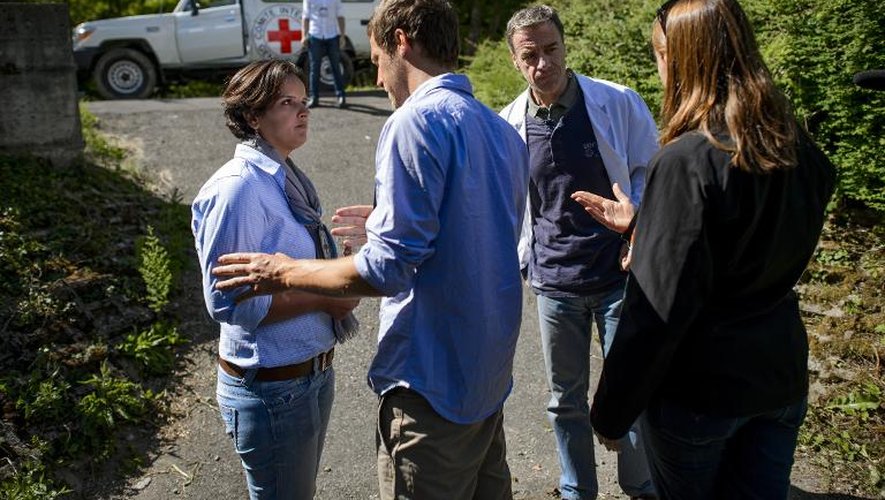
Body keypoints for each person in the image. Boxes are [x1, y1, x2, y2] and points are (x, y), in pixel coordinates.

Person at [212, 1, 530, 499]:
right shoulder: (499, 129)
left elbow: (387, 271)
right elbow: (482, 238)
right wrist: (387, 226)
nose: (379, 78)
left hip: (432, 383)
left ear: (401, 42)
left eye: (377, 58)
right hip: (485, 377)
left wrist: (285, 270)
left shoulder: (413, 122)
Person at [588, 0, 837, 498]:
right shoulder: (797, 150)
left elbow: (656, 311)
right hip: (778, 375)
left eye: (660, 55)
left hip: (701, 390)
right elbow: (744, 246)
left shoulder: (688, 161)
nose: (659, 70)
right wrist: (647, 227)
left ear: (683, 60)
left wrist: (611, 411)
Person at [498, 5, 658, 499]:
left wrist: (636, 229)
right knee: (564, 400)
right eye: (530, 56)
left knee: (630, 390)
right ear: (515, 62)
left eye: (551, 50)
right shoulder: (508, 125)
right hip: (554, 282)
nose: (543, 63)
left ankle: (641, 485)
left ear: (565, 47)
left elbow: (649, 170)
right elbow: (513, 203)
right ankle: (576, 490)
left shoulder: (616, 102)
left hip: (617, 273)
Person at [191, 59, 360, 500]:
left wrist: (338, 269)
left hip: (310, 376)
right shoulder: (239, 189)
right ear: (252, 116)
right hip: (273, 387)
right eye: (288, 103)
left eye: (304, 102)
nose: (303, 112)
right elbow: (232, 304)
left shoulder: (285, 180)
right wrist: (326, 291)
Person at [302, 0, 347, 108]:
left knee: (335, 66)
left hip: (332, 35)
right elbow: (305, 17)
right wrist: (303, 35)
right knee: (314, 68)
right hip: (315, 35)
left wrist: (342, 35)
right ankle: (314, 97)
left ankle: (341, 96)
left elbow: (340, 16)